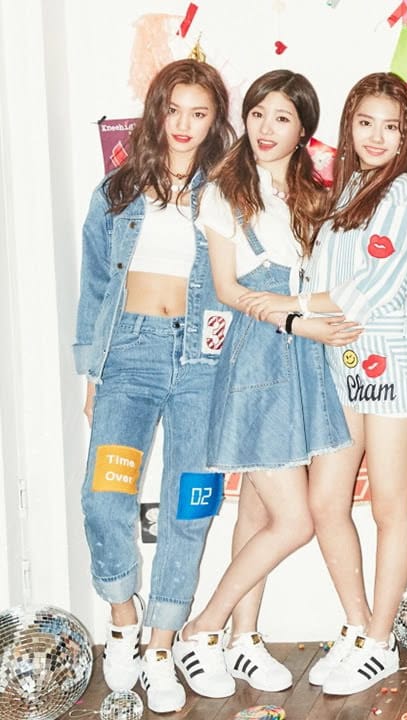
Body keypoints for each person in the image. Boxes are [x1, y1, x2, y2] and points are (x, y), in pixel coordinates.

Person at [239, 72, 407, 695]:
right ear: (349, 125)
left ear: (406, 135)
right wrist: (297, 312)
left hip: (389, 361)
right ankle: (358, 625)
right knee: (325, 502)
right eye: (365, 123)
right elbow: (324, 278)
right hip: (338, 362)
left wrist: (288, 306)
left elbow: (372, 288)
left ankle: (380, 639)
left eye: (391, 127)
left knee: (390, 506)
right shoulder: (345, 190)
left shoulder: (405, 192)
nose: (376, 137)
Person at [175, 70, 358, 699]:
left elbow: (330, 282)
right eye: (257, 114)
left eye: (282, 117)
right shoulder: (224, 192)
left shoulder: (314, 197)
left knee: (256, 510)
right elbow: (228, 290)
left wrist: (325, 315)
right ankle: (202, 630)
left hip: (304, 358)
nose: (265, 128)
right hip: (259, 354)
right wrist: (297, 321)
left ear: (303, 129)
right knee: (294, 520)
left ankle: (243, 640)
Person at [74, 58, 235, 714]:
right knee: (104, 496)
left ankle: (162, 645)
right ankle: (123, 622)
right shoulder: (116, 191)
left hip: (203, 362)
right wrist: (93, 370)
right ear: (156, 112)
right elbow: (93, 285)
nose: (185, 125)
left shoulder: (228, 192)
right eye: (175, 111)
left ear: (214, 120)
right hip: (130, 356)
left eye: (199, 113)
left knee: (189, 507)